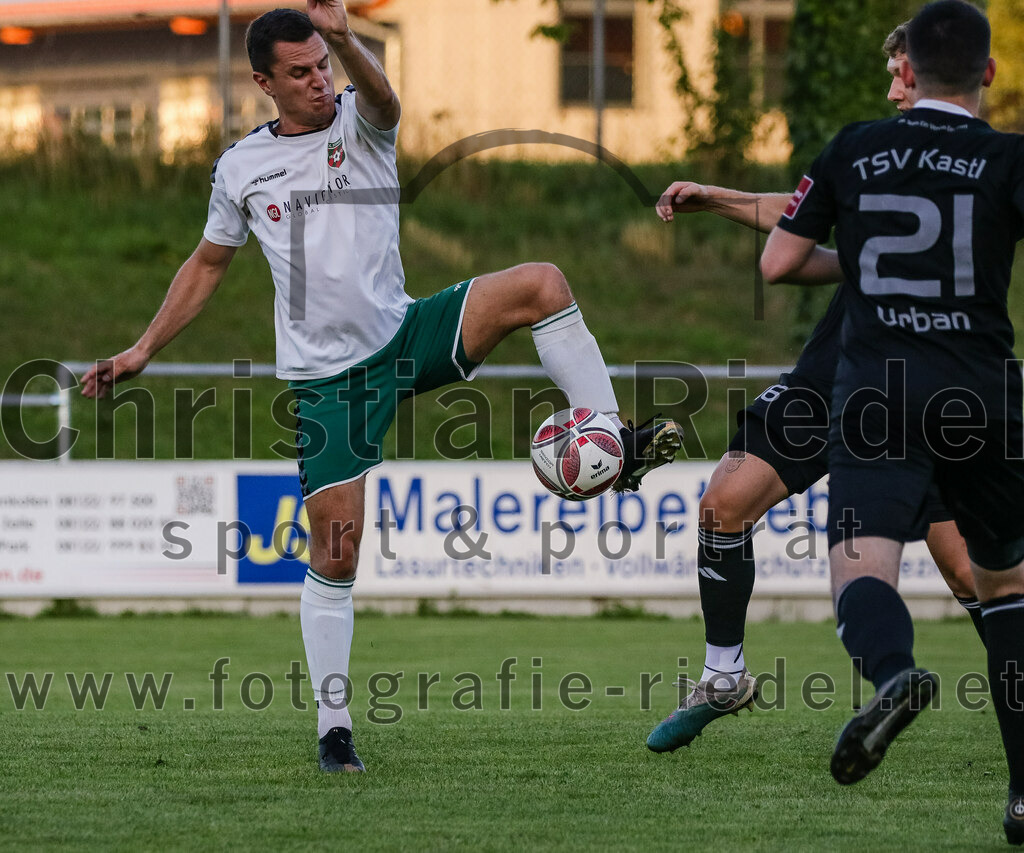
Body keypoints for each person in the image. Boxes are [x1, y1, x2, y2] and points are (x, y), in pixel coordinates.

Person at [80, 2, 683, 773]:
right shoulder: (241, 169)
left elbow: (387, 100)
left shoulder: (359, 122)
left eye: (322, 65)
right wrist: (141, 348)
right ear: (265, 83)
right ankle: (335, 729)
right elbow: (206, 265)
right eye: (299, 73)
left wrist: (343, 38)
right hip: (327, 382)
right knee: (336, 549)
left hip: (403, 335)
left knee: (542, 283)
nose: (318, 82)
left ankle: (610, 434)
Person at [645, 20, 982, 757]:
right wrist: (719, 197)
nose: (896, 86)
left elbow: (810, 253)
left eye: (903, 72)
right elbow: (803, 223)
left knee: (968, 568)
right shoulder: (871, 155)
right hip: (830, 372)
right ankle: (723, 676)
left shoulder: (970, 168)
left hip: (907, 387)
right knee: (722, 503)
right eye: (893, 73)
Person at [761, 1, 1024, 842]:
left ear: (905, 67)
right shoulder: (1007, 156)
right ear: (988, 73)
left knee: (861, 570)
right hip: (982, 391)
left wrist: (871, 260)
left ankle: (895, 674)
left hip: (878, 392)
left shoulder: (857, 146)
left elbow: (782, 261)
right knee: (1008, 586)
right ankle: (1023, 796)